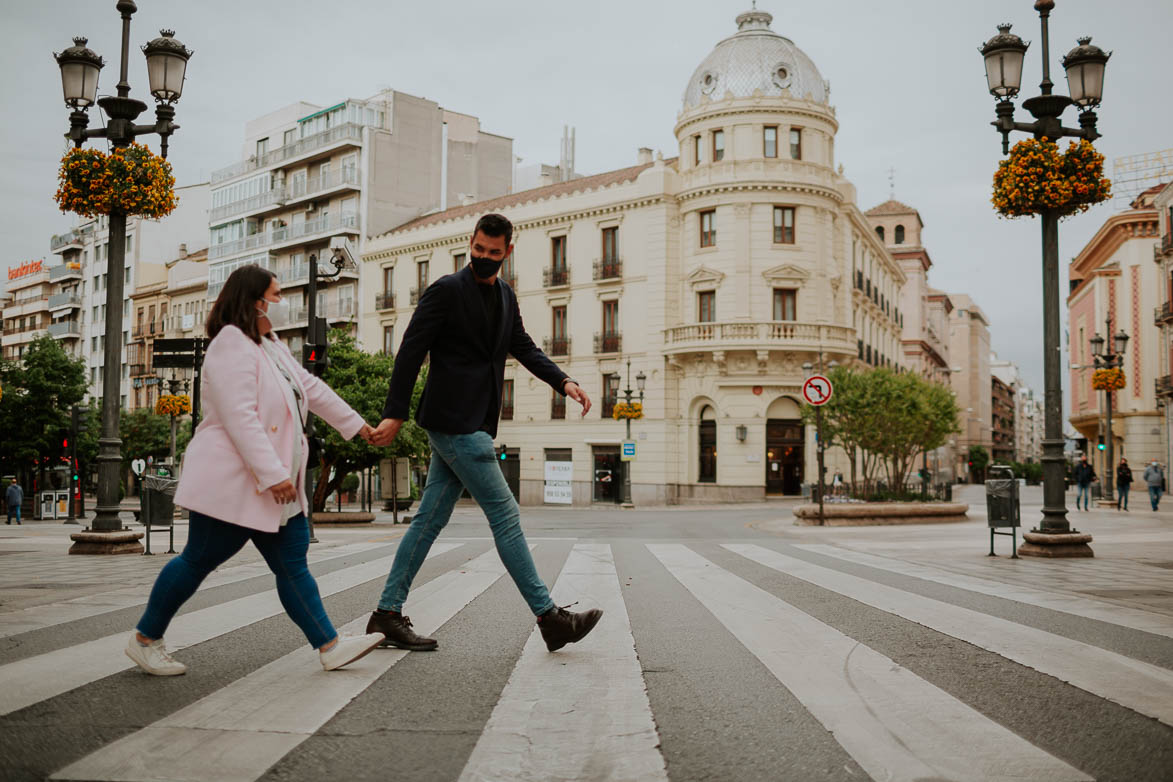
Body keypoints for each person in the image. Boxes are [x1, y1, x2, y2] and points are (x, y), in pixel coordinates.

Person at [125, 265, 384, 676]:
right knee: (196, 561)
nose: (280, 304)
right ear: (253, 300)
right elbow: (239, 416)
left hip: (271, 484)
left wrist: (358, 426)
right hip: (236, 483)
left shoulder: (269, 344)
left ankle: (329, 645)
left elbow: (310, 388)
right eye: (275, 296)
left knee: (292, 564)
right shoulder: (230, 344)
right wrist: (272, 473)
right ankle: (144, 639)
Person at [368, 213, 603, 653]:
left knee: (429, 520)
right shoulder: (445, 291)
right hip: (454, 420)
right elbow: (410, 351)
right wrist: (394, 413)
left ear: (507, 253)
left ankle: (386, 614)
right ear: (470, 243)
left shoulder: (506, 297)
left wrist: (563, 381)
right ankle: (550, 618)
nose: (483, 259)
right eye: (478, 250)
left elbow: (523, 346)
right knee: (505, 515)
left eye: (493, 253)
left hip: (474, 421)